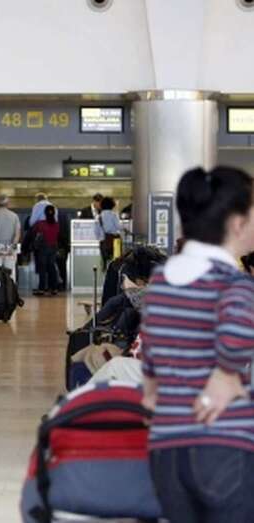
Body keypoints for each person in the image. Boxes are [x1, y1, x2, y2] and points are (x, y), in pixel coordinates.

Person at [140, 166, 254, 523]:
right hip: (223, 445)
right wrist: (226, 373)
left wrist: (152, 391)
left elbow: (151, 351)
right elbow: (240, 325)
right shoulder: (232, 282)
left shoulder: (161, 280)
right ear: (237, 223)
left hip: (166, 450)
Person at [31, 205, 60, 296]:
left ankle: (42, 288)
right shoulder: (56, 225)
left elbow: (34, 234)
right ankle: (54, 288)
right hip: (53, 248)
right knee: (52, 268)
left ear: (44, 213)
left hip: (43, 248)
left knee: (42, 269)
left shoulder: (40, 224)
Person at [97, 196, 122, 267]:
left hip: (104, 241)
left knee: (105, 260)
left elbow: (97, 231)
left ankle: (105, 269)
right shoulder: (113, 215)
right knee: (116, 260)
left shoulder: (99, 216)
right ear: (112, 205)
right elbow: (118, 226)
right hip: (114, 240)